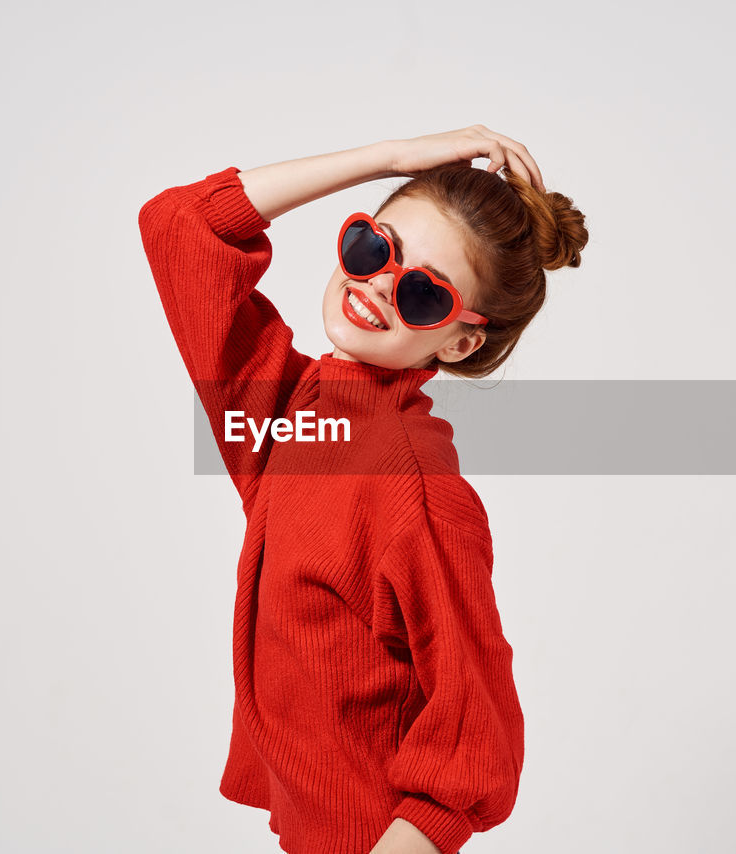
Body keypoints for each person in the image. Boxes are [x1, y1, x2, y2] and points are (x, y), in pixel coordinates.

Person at [138, 125, 588, 854]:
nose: (378, 283)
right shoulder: (297, 417)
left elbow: (478, 739)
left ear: (460, 342)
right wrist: (388, 158)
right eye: (374, 246)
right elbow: (181, 227)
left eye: (422, 293)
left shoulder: (411, 483)